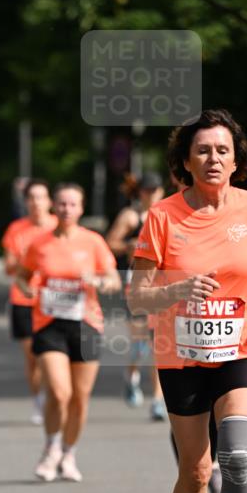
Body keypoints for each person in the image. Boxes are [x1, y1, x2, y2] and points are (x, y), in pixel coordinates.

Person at [129, 108, 247, 493]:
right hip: (182, 355)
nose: (213, 159)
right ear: (185, 161)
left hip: (242, 346)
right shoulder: (163, 216)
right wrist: (177, 288)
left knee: (236, 456)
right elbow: (137, 297)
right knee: (195, 471)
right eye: (202, 151)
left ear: (237, 160)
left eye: (222, 150)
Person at [18, 183, 120, 482]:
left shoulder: (93, 242)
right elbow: (24, 277)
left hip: (86, 324)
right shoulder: (40, 243)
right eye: (61, 204)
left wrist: (99, 283)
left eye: (72, 204)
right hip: (49, 325)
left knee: (80, 398)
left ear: (81, 209)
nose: (66, 209)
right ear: (55, 207)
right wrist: (31, 292)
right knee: (60, 393)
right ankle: (50, 448)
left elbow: (113, 279)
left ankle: (69, 453)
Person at [106, 172, 166, 419]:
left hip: (163, 286)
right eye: (147, 190)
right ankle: (131, 375)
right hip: (137, 285)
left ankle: (157, 401)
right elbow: (110, 242)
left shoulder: (168, 215)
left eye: (156, 190)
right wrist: (130, 246)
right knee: (141, 344)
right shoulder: (132, 216)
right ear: (139, 192)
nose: (152, 194)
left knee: (159, 346)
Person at [1, 180, 58, 424]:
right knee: (33, 356)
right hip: (23, 299)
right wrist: (29, 259)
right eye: (31, 198)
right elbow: (8, 268)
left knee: (50, 354)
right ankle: (38, 398)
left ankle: (50, 395)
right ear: (26, 202)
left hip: (53, 301)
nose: (36, 202)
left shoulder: (58, 226)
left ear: (49, 202)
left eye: (41, 197)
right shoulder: (16, 229)